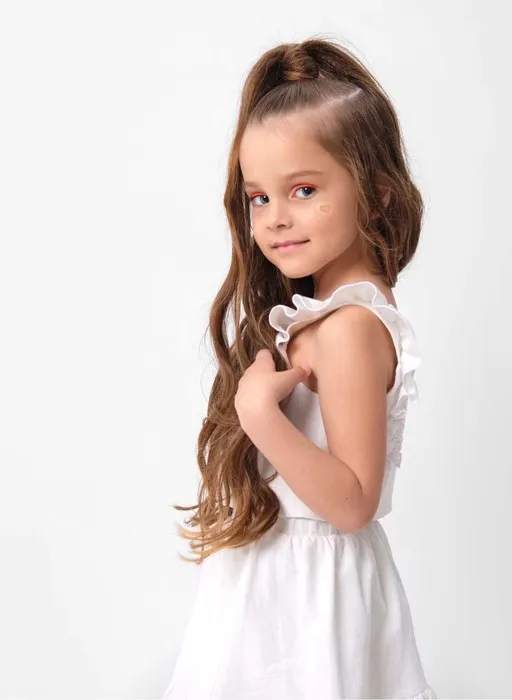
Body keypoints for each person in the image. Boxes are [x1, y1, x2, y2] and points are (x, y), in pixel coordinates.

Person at [162, 36, 437, 699]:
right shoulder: (326, 319)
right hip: (282, 586)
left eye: (304, 190)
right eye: (258, 197)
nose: (275, 218)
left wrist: (260, 415)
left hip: (308, 601)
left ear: (376, 195)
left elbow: (353, 501)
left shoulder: (349, 329)